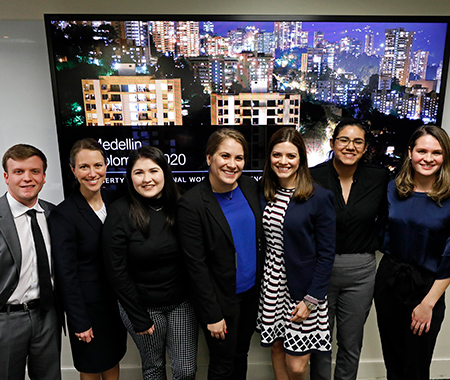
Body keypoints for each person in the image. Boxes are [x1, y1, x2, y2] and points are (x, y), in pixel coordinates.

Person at [103, 146, 198, 380]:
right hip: (142, 306)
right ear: (130, 177)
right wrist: (138, 316)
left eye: (153, 171)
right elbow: (116, 271)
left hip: (181, 303)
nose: (147, 179)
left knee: (186, 371)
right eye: (138, 173)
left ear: (165, 172)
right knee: (154, 367)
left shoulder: (183, 204)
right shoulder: (119, 211)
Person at [177, 128, 265, 380]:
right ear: (209, 158)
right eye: (224, 156)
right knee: (222, 363)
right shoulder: (192, 204)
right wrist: (213, 314)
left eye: (239, 158)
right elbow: (196, 266)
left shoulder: (249, 187)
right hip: (220, 301)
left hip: (250, 295)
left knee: (241, 354)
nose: (232, 164)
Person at [309, 119, 389, 380]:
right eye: (344, 140)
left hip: (362, 272)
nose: (350, 146)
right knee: (319, 343)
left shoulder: (379, 178)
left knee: (351, 343)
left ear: (365, 148)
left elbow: (387, 220)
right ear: (333, 143)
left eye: (358, 142)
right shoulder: (314, 177)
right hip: (321, 271)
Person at [257, 127, 336, 380]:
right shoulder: (263, 192)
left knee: (298, 366)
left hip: (302, 291)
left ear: (301, 158)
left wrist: (311, 299)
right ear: (269, 157)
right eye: (277, 155)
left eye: (290, 156)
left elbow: (326, 255)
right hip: (271, 284)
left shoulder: (319, 197)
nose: (283, 161)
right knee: (277, 347)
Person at [374, 125, 450, 380]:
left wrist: (428, 303)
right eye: (422, 151)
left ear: (445, 156)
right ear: (410, 152)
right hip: (390, 281)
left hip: (428, 287)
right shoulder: (392, 189)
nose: (428, 158)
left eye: (436, 152)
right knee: (393, 363)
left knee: (416, 368)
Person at [48, 138, 127, 380]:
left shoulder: (116, 202)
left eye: (98, 165)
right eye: (84, 167)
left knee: (113, 359)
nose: (92, 173)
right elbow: (66, 274)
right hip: (87, 309)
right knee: (91, 366)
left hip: (114, 305)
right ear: (73, 170)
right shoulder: (64, 214)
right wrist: (79, 320)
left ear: (106, 166)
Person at [0, 144, 61, 379]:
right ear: (6, 177)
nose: (27, 178)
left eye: (35, 171)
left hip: (47, 316)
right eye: (18, 172)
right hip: (6, 319)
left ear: (44, 177)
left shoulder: (54, 214)